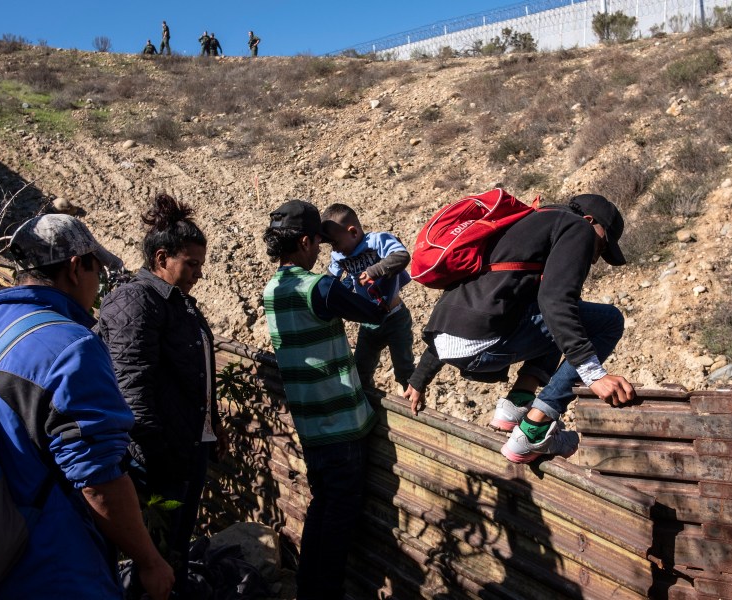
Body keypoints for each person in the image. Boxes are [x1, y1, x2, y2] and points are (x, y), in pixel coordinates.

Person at [0, 214, 174, 600]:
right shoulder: (71, 346)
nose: (99, 285)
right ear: (76, 269)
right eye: (97, 271)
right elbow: (99, 479)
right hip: (50, 569)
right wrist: (149, 561)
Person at [404, 194, 637, 464]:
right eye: (602, 244)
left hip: (448, 338)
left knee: (563, 315)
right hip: (483, 345)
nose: (596, 257)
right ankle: (534, 429)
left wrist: (419, 378)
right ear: (589, 221)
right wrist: (594, 375)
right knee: (607, 320)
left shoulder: (529, 222)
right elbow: (556, 301)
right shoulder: (578, 227)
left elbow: (466, 310)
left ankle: (515, 406)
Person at [98, 194, 225, 597]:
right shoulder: (136, 301)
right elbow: (131, 386)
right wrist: (160, 457)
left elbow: (196, 376)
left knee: (174, 553)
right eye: (191, 265)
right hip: (157, 459)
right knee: (153, 558)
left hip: (185, 447)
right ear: (161, 259)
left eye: (200, 266)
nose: (197, 275)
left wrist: (212, 425)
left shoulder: (178, 304)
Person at [262, 200, 385, 600]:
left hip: (311, 426)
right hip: (342, 427)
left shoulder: (272, 290)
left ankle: (306, 590)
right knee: (338, 526)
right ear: (304, 241)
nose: (321, 251)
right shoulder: (319, 287)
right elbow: (373, 311)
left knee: (322, 509)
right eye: (318, 242)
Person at [321, 202, 415, 392]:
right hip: (369, 322)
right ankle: (368, 404)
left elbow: (401, 256)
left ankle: (413, 402)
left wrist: (375, 271)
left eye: (335, 243)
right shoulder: (339, 256)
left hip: (395, 318)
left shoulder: (377, 241)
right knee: (361, 369)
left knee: (404, 369)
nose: (334, 249)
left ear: (353, 232)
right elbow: (331, 281)